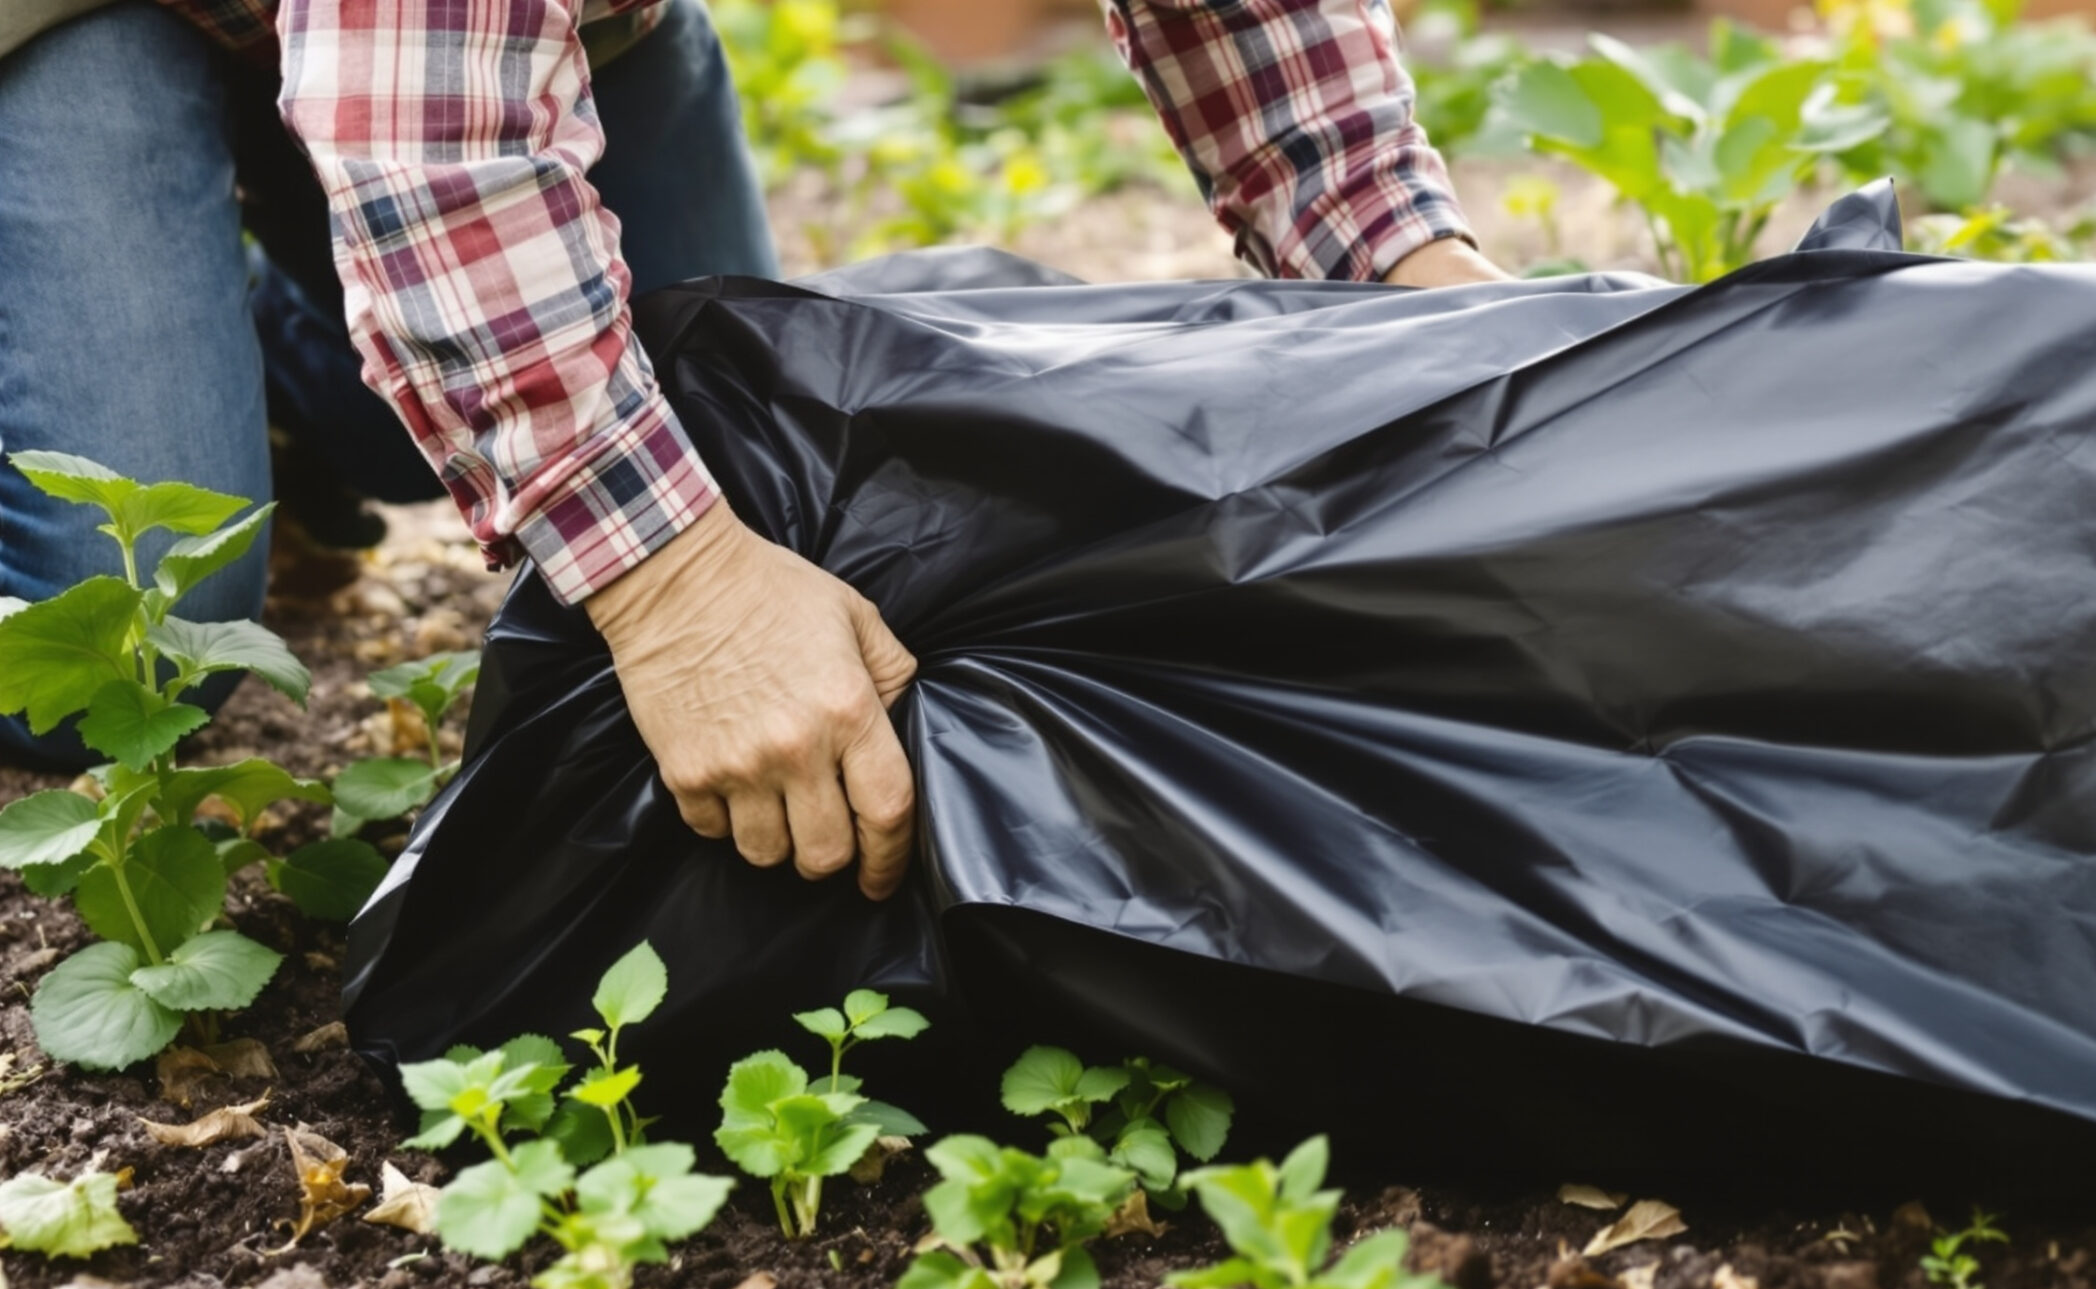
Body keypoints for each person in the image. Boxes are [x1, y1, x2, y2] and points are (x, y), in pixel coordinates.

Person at [0, 0, 1506, 882]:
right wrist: (675, 588)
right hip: (88, 24)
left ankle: (268, 358)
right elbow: (434, 149)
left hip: (483, 35)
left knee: (707, 399)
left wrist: (1412, 275)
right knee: (122, 649)